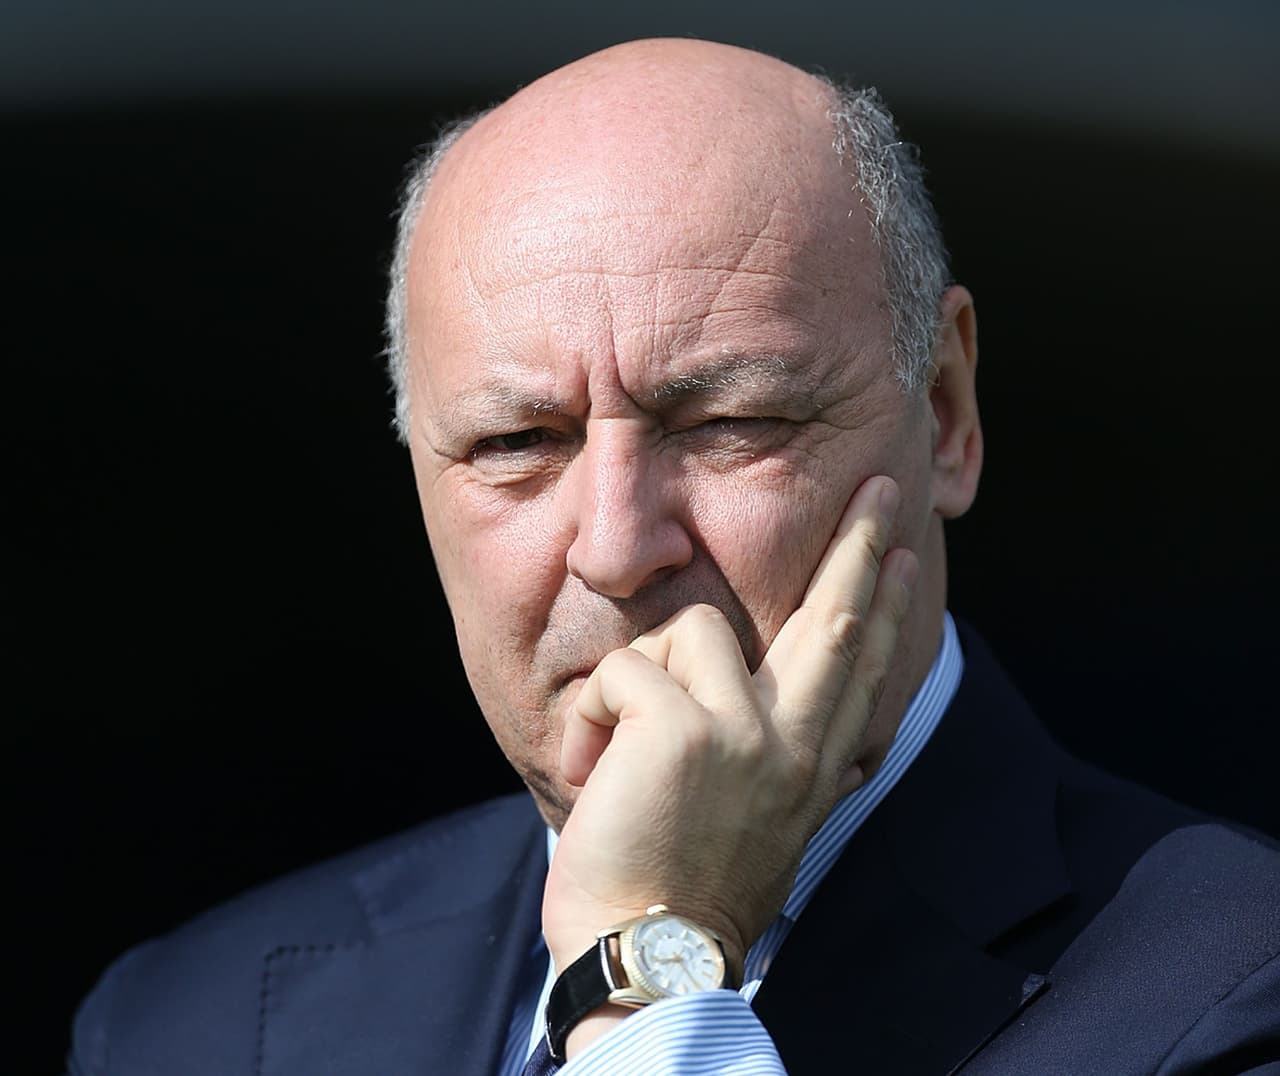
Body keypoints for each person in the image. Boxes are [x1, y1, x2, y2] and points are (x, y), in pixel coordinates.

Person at [69, 38, 1279, 1076]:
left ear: (945, 412)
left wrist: (640, 973)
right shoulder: (189, 1020)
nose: (614, 548)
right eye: (514, 443)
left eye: (728, 422)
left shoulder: (1234, 993)